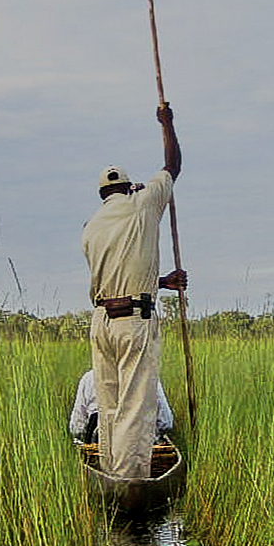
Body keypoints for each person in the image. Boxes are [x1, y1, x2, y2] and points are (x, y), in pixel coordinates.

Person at [81, 102, 185, 479]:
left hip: (101, 321)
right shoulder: (142, 205)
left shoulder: (91, 226)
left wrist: (161, 282)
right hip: (133, 323)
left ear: (102, 194)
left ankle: (110, 473)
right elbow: (172, 167)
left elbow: (118, 273)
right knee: (135, 406)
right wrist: (168, 124)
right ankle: (130, 480)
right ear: (129, 187)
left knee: (109, 405)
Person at [69, 369, 174, 443]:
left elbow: (76, 428)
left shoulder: (88, 378)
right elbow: (166, 423)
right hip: (139, 449)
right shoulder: (149, 376)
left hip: (99, 448)